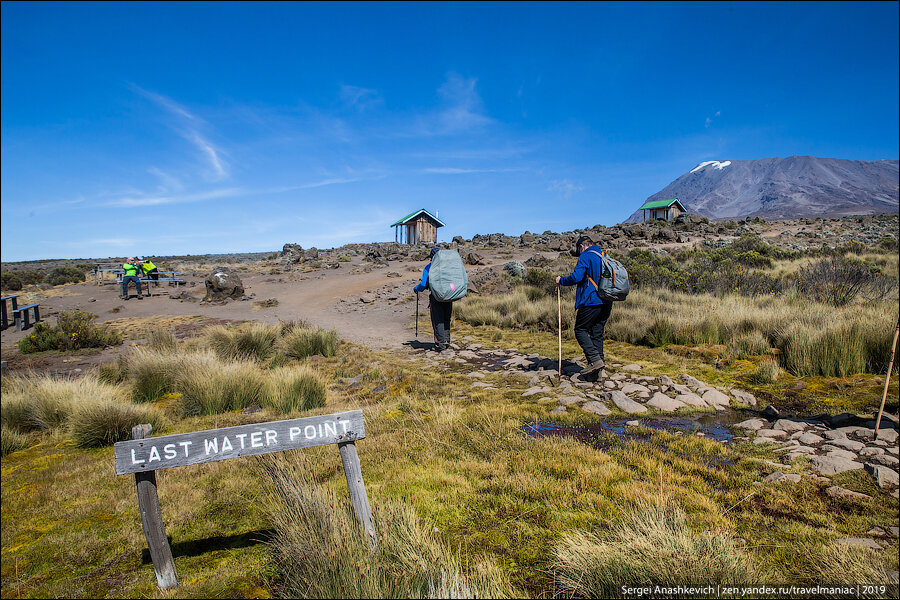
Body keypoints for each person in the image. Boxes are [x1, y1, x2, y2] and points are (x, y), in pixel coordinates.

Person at [556, 235, 611, 376]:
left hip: (591, 300)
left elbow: (576, 277)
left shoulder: (586, 256)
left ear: (582, 246)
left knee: (580, 330)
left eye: (578, 249)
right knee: (596, 333)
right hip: (607, 301)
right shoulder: (604, 255)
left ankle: (594, 360)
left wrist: (561, 280)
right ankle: (598, 372)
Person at [414, 247, 453, 352]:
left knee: (438, 320)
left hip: (436, 297)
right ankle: (446, 340)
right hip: (449, 296)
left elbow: (423, 284)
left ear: (431, 257)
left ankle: (439, 344)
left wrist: (416, 289)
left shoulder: (429, 267)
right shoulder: (447, 267)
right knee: (446, 319)